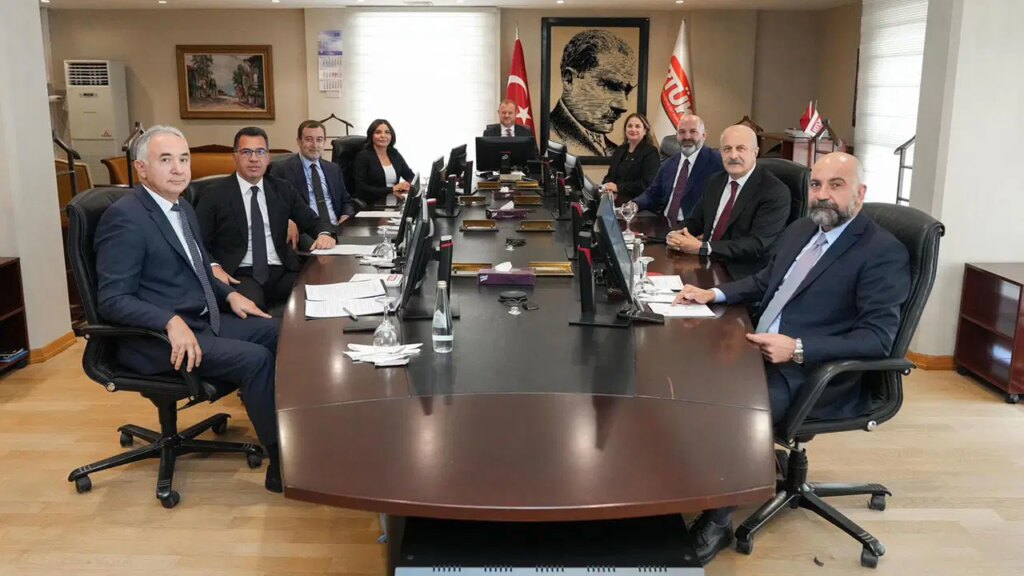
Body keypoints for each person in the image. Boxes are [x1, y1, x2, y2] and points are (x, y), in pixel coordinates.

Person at [672, 152, 911, 565]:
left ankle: (718, 518)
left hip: (816, 373)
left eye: (836, 185)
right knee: (689, 372)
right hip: (761, 347)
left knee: (735, 409)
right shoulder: (802, 229)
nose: (822, 194)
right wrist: (715, 293)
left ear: (860, 194)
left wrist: (797, 347)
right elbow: (767, 281)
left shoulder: (882, 251)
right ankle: (694, 481)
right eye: (816, 185)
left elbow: (877, 339)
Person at [93, 125, 284, 493]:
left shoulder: (181, 207)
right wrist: (168, 321)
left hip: (200, 320)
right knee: (257, 359)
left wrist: (228, 295)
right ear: (141, 169)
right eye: (166, 160)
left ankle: (294, 432)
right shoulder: (126, 218)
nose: (179, 169)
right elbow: (112, 300)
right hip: (157, 339)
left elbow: (199, 268)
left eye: (183, 159)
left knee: (280, 331)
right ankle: (280, 459)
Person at [196, 127, 336, 312]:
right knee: (253, 311)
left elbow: (313, 221)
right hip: (241, 273)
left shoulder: (282, 189)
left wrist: (324, 233)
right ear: (235, 157)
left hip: (282, 270)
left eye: (260, 152)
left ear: (268, 157)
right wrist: (213, 266)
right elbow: (197, 241)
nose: (254, 158)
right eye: (246, 152)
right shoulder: (213, 194)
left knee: (324, 296)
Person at [665, 124, 790, 280]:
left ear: (755, 152)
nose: (733, 155)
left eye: (741, 148)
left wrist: (704, 247)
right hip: (704, 264)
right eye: (727, 149)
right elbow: (695, 220)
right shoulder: (715, 180)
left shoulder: (774, 192)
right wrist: (675, 234)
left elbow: (757, 245)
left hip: (742, 274)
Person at [549, 30, 637, 157]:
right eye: (610, 86)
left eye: (627, 91)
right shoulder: (551, 139)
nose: (623, 106)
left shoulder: (615, 151)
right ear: (569, 79)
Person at [270, 120, 355, 251]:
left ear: (324, 142)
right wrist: (286, 220)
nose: (315, 145)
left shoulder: (333, 168)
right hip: (305, 231)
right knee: (324, 257)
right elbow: (273, 204)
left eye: (319, 140)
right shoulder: (282, 169)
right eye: (309, 139)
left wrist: (346, 216)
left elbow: (346, 201)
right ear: (299, 141)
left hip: (336, 228)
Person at [624, 115, 722, 223]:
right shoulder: (669, 164)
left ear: (704, 135)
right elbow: (652, 193)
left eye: (693, 131)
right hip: (663, 223)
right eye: (682, 132)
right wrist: (634, 204)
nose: (687, 137)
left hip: (693, 227)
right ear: (676, 136)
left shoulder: (717, 162)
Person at [352, 118, 416, 206]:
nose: (383, 136)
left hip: (394, 202)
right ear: (371, 135)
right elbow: (362, 189)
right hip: (373, 204)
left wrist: (409, 185)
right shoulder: (363, 156)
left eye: (387, 132)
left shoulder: (394, 153)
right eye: (378, 132)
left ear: (391, 135)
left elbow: (410, 175)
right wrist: (392, 189)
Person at [600, 112, 660, 205]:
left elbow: (647, 183)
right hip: (614, 198)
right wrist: (606, 186)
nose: (633, 129)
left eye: (637, 126)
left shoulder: (650, 152)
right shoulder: (619, 150)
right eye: (630, 126)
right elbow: (610, 176)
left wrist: (618, 188)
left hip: (637, 202)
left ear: (644, 131)